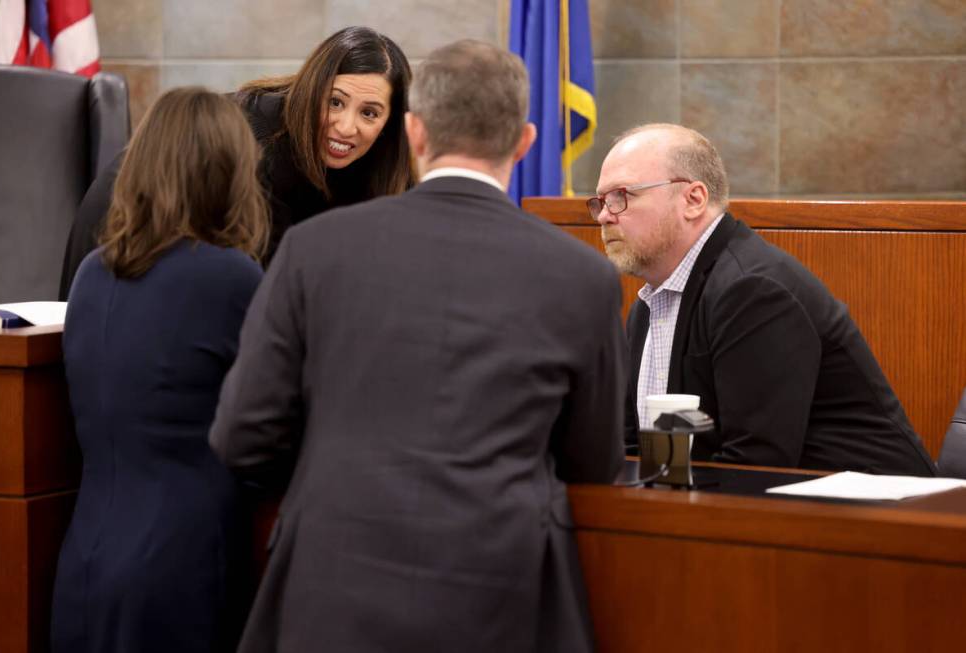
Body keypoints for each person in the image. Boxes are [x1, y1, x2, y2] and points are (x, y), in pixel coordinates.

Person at [209, 40, 625, 653]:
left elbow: (243, 432)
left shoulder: (314, 250)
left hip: (329, 582)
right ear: (525, 142)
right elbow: (594, 463)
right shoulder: (584, 277)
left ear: (414, 132)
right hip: (500, 596)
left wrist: (330, 483)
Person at [50, 87, 270, 653]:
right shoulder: (230, 277)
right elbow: (272, 428)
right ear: (230, 169)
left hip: (83, 563)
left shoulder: (93, 274)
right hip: (183, 565)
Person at [591, 123, 936, 476]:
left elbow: (755, 465)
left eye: (622, 196)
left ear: (693, 200)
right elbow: (639, 449)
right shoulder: (650, 303)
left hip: (876, 512)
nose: (604, 215)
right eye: (600, 201)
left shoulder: (753, 291)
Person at [59, 25, 413, 298]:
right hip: (121, 248)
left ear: (391, 123)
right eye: (335, 102)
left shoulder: (380, 162)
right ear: (312, 89)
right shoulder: (262, 149)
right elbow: (271, 300)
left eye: (369, 113)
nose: (346, 126)